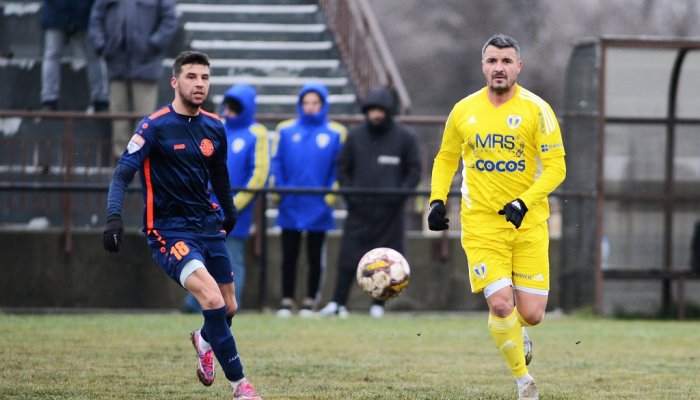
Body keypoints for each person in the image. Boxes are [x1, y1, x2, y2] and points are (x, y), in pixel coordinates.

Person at [102, 51, 262, 400]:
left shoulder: (215, 126)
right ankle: (241, 386)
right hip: (168, 230)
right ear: (175, 82)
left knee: (229, 307)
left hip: (207, 225)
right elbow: (122, 174)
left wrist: (229, 212)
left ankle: (204, 339)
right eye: (191, 77)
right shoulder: (153, 126)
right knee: (211, 298)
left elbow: (220, 176)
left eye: (204, 77)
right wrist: (114, 216)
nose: (199, 84)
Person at [427, 34, 566, 400]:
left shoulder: (538, 110)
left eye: (506, 61)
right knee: (501, 303)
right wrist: (436, 200)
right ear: (483, 66)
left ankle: (515, 330)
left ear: (518, 66)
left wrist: (524, 201)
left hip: (529, 224)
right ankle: (524, 381)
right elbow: (446, 158)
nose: (499, 68)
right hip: (481, 224)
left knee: (532, 313)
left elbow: (556, 168)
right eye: (492, 61)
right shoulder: (463, 110)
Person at [318, 87, 421, 319]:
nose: (375, 115)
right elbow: (342, 169)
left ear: (388, 111)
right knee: (347, 258)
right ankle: (338, 302)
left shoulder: (405, 137)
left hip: (390, 213)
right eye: (371, 110)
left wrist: (398, 197)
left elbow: (413, 172)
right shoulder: (355, 136)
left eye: (380, 110)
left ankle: (379, 305)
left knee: (387, 261)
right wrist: (351, 197)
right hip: (359, 209)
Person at [183, 83, 270, 313]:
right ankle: (195, 303)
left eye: (235, 107)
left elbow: (259, 175)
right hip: (206, 205)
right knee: (199, 256)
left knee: (231, 259)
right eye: (227, 106)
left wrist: (234, 204)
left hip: (235, 210)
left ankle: (229, 306)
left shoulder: (257, 133)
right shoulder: (217, 126)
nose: (228, 111)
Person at [270, 82, 345, 317]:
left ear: (323, 105)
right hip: (290, 203)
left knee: (315, 256)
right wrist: (279, 192)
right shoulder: (285, 130)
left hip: (318, 205)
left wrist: (329, 198)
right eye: (306, 102)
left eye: (315, 103)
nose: (310, 107)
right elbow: (277, 162)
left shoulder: (335, 132)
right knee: (289, 255)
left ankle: (310, 300)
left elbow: (339, 168)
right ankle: (286, 299)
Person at [89, 0, 178, 161]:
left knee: (144, 118)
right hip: (116, 62)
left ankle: (141, 160)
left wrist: (153, 45)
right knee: (118, 116)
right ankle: (121, 161)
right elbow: (96, 18)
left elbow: (169, 19)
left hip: (146, 62)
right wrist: (102, 46)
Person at [40, 0, 109, 111]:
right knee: (94, 57)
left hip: (63, 13)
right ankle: (100, 99)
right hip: (74, 13)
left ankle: (49, 99)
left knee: (52, 56)